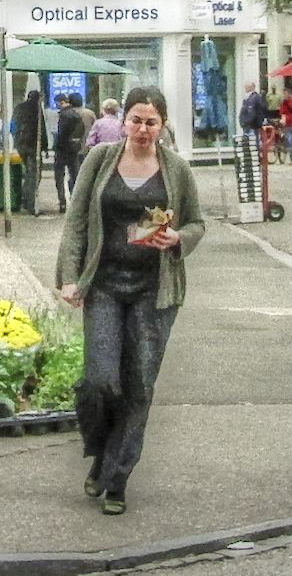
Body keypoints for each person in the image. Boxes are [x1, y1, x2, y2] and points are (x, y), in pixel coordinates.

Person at [55, 85, 203, 517]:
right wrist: (69, 278)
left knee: (139, 384)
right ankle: (101, 449)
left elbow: (197, 223)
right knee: (100, 380)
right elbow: (76, 220)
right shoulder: (100, 160)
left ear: (162, 126)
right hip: (103, 284)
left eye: (151, 122)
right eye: (136, 120)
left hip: (154, 291)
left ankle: (117, 478)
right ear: (123, 122)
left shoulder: (176, 170)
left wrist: (178, 239)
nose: (142, 129)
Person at [12, 87, 47, 214]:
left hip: (20, 145)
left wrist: (16, 141)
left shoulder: (18, 108)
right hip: (33, 146)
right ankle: (30, 203)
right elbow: (41, 129)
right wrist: (45, 147)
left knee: (28, 172)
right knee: (34, 174)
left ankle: (24, 199)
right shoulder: (37, 110)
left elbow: (13, 126)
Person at [52, 93, 90, 212]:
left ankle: (62, 202)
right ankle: (75, 201)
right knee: (74, 175)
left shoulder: (64, 115)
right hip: (74, 150)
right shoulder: (76, 115)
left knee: (59, 176)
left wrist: (57, 144)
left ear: (61, 102)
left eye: (57, 103)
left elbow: (62, 134)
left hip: (62, 150)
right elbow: (81, 131)